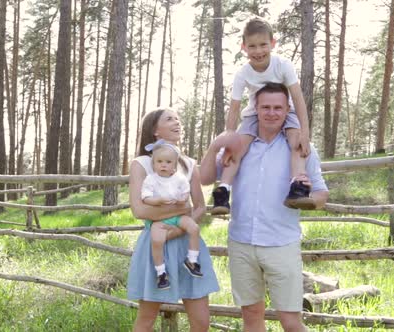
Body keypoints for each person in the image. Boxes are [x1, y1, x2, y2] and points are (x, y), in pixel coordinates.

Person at [200, 83, 329, 332]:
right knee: (251, 316)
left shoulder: (301, 148)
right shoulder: (239, 146)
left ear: (287, 109)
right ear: (255, 109)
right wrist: (215, 145)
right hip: (241, 243)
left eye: (278, 107)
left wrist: (309, 199)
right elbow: (205, 178)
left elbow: (322, 193)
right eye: (266, 107)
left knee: (291, 322)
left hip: (281, 243)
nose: (272, 113)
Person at [210, 17, 315, 215]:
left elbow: (298, 99)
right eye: (252, 46)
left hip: (286, 109)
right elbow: (234, 108)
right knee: (237, 148)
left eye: (263, 45)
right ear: (244, 47)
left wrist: (305, 131)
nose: (258, 51)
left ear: (273, 43)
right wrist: (228, 141)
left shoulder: (283, 65)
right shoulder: (243, 73)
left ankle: (297, 186)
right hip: (254, 113)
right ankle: (223, 191)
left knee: (297, 143)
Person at [127, 108, 220, 332]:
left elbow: (199, 207)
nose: (177, 122)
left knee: (201, 322)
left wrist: (177, 229)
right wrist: (181, 210)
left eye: (178, 118)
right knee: (146, 318)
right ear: (154, 131)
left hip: (187, 244)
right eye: (169, 119)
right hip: (156, 242)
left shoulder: (188, 164)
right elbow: (139, 210)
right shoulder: (142, 164)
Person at [141, 140, 203, 290]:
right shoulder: (151, 179)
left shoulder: (179, 178)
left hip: (179, 216)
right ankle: (161, 273)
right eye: (159, 162)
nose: (163, 165)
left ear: (174, 165)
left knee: (193, 228)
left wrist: (183, 199)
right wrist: (158, 200)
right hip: (159, 219)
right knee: (157, 240)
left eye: (168, 162)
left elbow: (185, 192)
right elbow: (145, 197)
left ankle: (192, 260)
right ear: (153, 164)